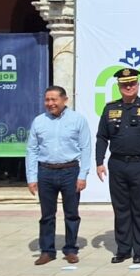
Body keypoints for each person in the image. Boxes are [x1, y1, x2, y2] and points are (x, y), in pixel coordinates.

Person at [95, 68, 140, 264]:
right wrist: (99, 162)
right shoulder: (110, 109)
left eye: (132, 83)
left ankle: (139, 249)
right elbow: (102, 137)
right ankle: (123, 248)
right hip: (117, 164)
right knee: (121, 208)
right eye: (124, 84)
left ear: (138, 85)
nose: (128, 87)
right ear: (118, 86)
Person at [26, 86, 91, 265]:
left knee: (71, 213)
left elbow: (86, 148)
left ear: (65, 100)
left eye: (54, 99)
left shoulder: (78, 120)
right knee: (47, 215)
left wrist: (83, 175)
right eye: (47, 100)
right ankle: (47, 251)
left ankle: (70, 248)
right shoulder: (39, 121)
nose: (50, 103)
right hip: (45, 171)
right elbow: (31, 149)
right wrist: (32, 177)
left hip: (70, 171)